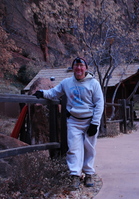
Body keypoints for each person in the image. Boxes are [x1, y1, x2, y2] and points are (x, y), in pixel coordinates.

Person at [33, 57, 104, 189]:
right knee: (74, 148)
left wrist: (95, 123)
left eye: (81, 66)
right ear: (72, 68)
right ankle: (75, 175)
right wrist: (42, 93)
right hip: (74, 121)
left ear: (86, 68)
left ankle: (88, 173)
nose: (79, 68)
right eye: (76, 66)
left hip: (89, 121)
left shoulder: (94, 83)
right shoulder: (67, 83)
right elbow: (54, 93)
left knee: (89, 148)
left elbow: (99, 104)